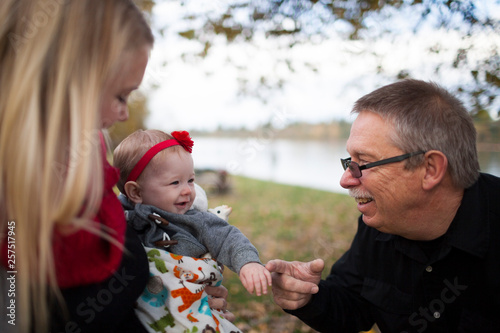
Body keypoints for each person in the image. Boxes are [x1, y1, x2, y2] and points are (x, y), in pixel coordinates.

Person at [0, 1, 229, 332]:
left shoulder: (81, 169)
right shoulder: (16, 210)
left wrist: (185, 301)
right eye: (121, 96)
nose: (124, 114)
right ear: (66, 80)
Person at [266, 79, 500, 332]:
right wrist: (308, 297)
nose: (345, 180)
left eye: (363, 163)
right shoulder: (379, 223)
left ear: (430, 169)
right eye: (349, 162)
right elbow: (353, 305)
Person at [113, 129, 272, 332]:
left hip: (194, 305)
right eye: (175, 182)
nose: (188, 190)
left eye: (191, 180)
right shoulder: (119, 219)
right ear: (135, 192)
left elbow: (227, 237)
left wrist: (248, 263)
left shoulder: (195, 219)